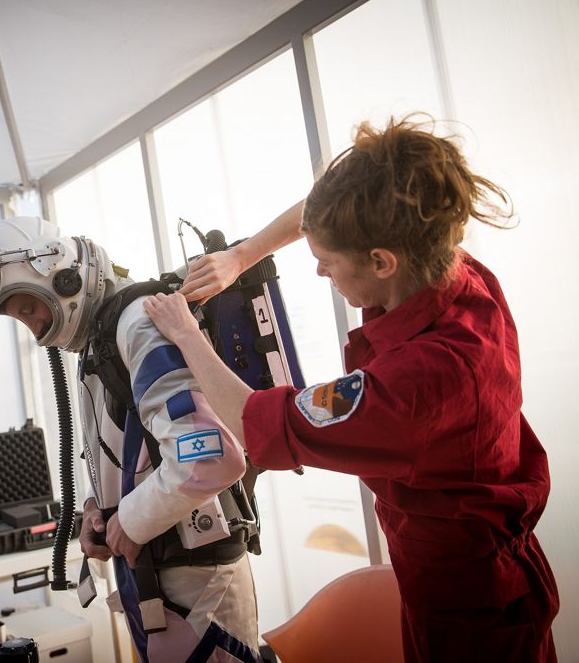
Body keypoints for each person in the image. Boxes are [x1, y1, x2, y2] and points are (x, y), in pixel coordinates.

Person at [144, 115, 559, 662]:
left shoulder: (421, 384)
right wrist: (243, 256)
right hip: (474, 570)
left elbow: (255, 420)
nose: (320, 272)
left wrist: (186, 334)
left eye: (328, 262)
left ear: (381, 261)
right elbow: (325, 206)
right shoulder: (449, 269)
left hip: (467, 609)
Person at [0, 217, 263, 662]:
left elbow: (210, 456)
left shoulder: (136, 323)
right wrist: (99, 511)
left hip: (195, 582)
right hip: (157, 577)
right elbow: (127, 453)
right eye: (20, 319)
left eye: (28, 309)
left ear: (63, 278)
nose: (36, 327)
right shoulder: (104, 337)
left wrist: (131, 520)